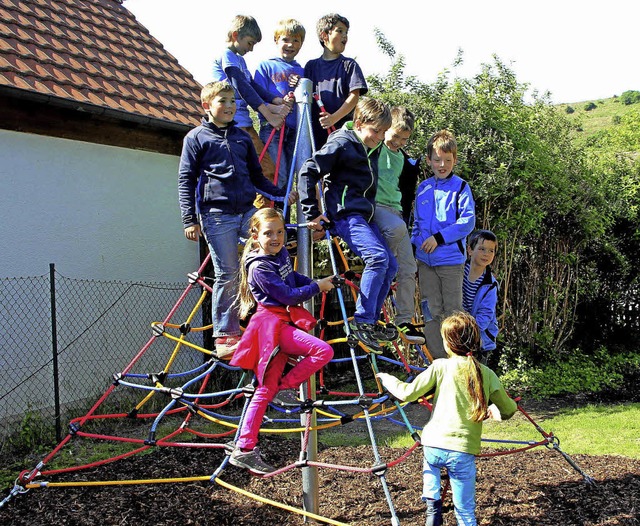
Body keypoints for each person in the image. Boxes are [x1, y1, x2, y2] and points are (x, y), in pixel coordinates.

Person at [178, 81, 295, 359]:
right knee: (228, 272)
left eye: (233, 102)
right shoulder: (196, 138)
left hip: (246, 212)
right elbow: (186, 179)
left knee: (272, 249)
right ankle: (225, 334)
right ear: (207, 106)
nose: (230, 107)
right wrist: (189, 219)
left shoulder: (242, 138)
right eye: (223, 102)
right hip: (216, 215)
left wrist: (280, 194)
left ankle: (271, 315)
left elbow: (256, 176)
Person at [376, 311, 517, 526]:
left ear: (448, 344)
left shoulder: (440, 366)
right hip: (462, 450)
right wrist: (505, 406)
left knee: (431, 468)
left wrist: (388, 379)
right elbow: (508, 410)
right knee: (465, 511)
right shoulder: (486, 373)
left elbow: (408, 393)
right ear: (475, 341)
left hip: (433, 444)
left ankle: (433, 506)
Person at [228, 208, 335, 474]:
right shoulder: (259, 268)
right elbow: (287, 295)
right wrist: (316, 287)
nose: (276, 238)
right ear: (255, 236)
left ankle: (244, 448)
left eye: (279, 232)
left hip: (282, 323)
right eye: (268, 233)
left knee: (263, 390)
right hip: (271, 326)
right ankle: (287, 389)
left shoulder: (280, 253)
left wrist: (311, 281)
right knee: (322, 351)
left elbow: (292, 278)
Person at [298, 97, 397, 354]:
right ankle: (361, 321)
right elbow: (308, 170)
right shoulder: (343, 143)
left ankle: (371, 320)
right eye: (376, 131)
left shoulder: (369, 146)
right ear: (361, 123)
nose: (380, 137)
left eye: (384, 132)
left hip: (363, 216)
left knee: (391, 264)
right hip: (346, 216)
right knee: (376, 257)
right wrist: (313, 212)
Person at [212, 15, 290, 208]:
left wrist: (275, 100)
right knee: (243, 172)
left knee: (268, 170)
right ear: (236, 35)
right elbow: (241, 87)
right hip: (231, 127)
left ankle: (264, 215)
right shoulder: (227, 56)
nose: (251, 48)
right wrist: (269, 114)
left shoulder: (240, 61)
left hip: (245, 125)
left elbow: (252, 84)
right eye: (250, 43)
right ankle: (252, 215)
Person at [412, 130, 476, 359]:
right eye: (437, 160)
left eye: (447, 160)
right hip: (425, 263)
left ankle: (458, 362)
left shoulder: (461, 187)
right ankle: (438, 365)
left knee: (453, 314)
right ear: (429, 160)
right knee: (430, 312)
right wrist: (416, 246)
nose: (442, 165)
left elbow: (467, 222)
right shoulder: (423, 188)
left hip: (450, 262)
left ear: (454, 160)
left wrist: (438, 238)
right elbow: (417, 225)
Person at [373, 106, 424, 345]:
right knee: (388, 265)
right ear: (385, 129)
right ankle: (370, 314)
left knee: (409, 267)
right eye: (395, 136)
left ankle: (403, 318)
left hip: (397, 212)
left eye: (404, 139)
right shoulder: (373, 147)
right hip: (377, 208)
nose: (398, 142)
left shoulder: (401, 158)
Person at [253, 19, 305, 191]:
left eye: (296, 40)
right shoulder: (266, 66)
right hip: (272, 127)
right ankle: (272, 211)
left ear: (301, 44)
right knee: (278, 173)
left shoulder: (302, 71)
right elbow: (257, 95)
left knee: (291, 177)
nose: (290, 44)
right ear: (276, 41)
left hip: (295, 131)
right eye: (285, 39)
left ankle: (283, 214)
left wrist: (300, 84)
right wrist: (274, 109)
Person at [303, 13, 368, 150]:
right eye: (340, 31)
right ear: (324, 36)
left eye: (346, 32)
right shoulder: (311, 66)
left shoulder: (349, 65)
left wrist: (333, 118)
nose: (345, 36)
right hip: (315, 134)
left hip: (342, 133)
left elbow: (354, 96)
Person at [464, 230, 499, 364]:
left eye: (491, 251)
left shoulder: (490, 284)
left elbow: (485, 314)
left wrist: (468, 336)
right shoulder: (458, 272)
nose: (486, 254)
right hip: (457, 332)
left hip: (479, 339)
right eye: (482, 249)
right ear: (470, 250)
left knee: (477, 378)